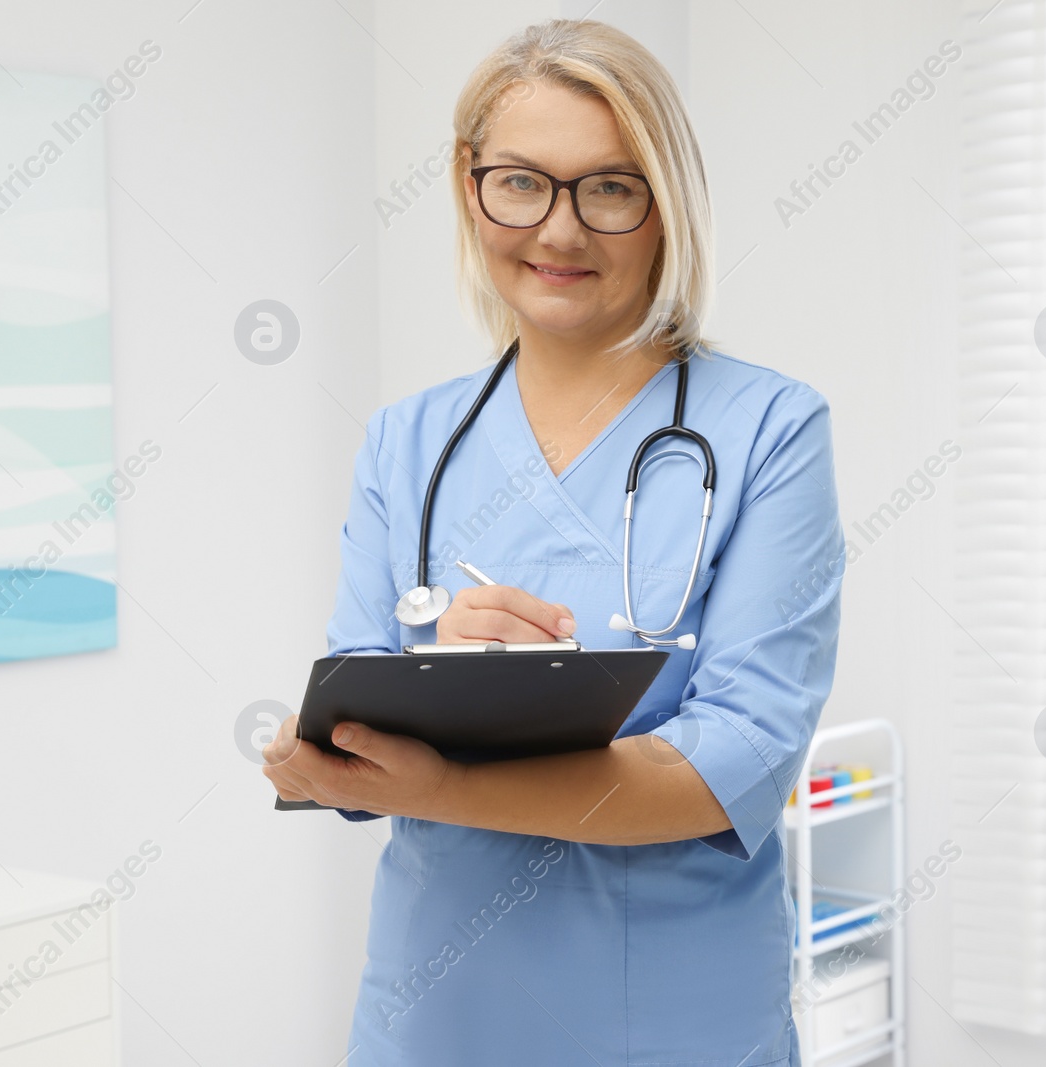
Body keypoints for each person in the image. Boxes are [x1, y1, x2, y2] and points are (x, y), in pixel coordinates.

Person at [263, 17, 844, 1066]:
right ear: (468, 183)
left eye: (608, 188)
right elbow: (341, 735)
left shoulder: (771, 430)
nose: (559, 231)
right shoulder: (408, 442)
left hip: (673, 1016)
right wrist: (340, 732)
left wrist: (444, 781)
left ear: (665, 204)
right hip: (436, 1010)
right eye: (522, 181)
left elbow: (736, 763)